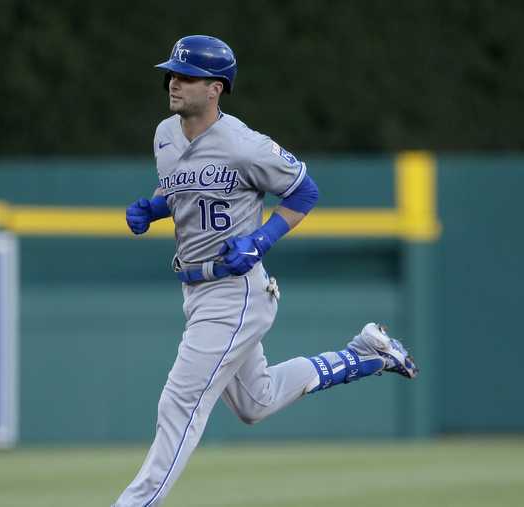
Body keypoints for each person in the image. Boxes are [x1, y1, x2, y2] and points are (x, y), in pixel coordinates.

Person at [114, 35, 418, 507]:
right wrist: (154, 208)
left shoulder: (244, 144)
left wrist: (261, 240)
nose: (174, 82)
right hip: (196, 291)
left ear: (216, 88)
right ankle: (368, 356)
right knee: (256, 402)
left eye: (186, 75)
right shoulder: (166, 135)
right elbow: (178, 186)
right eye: (171, 73)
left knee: (179, 404)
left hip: (234, 291)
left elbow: (304, 193)